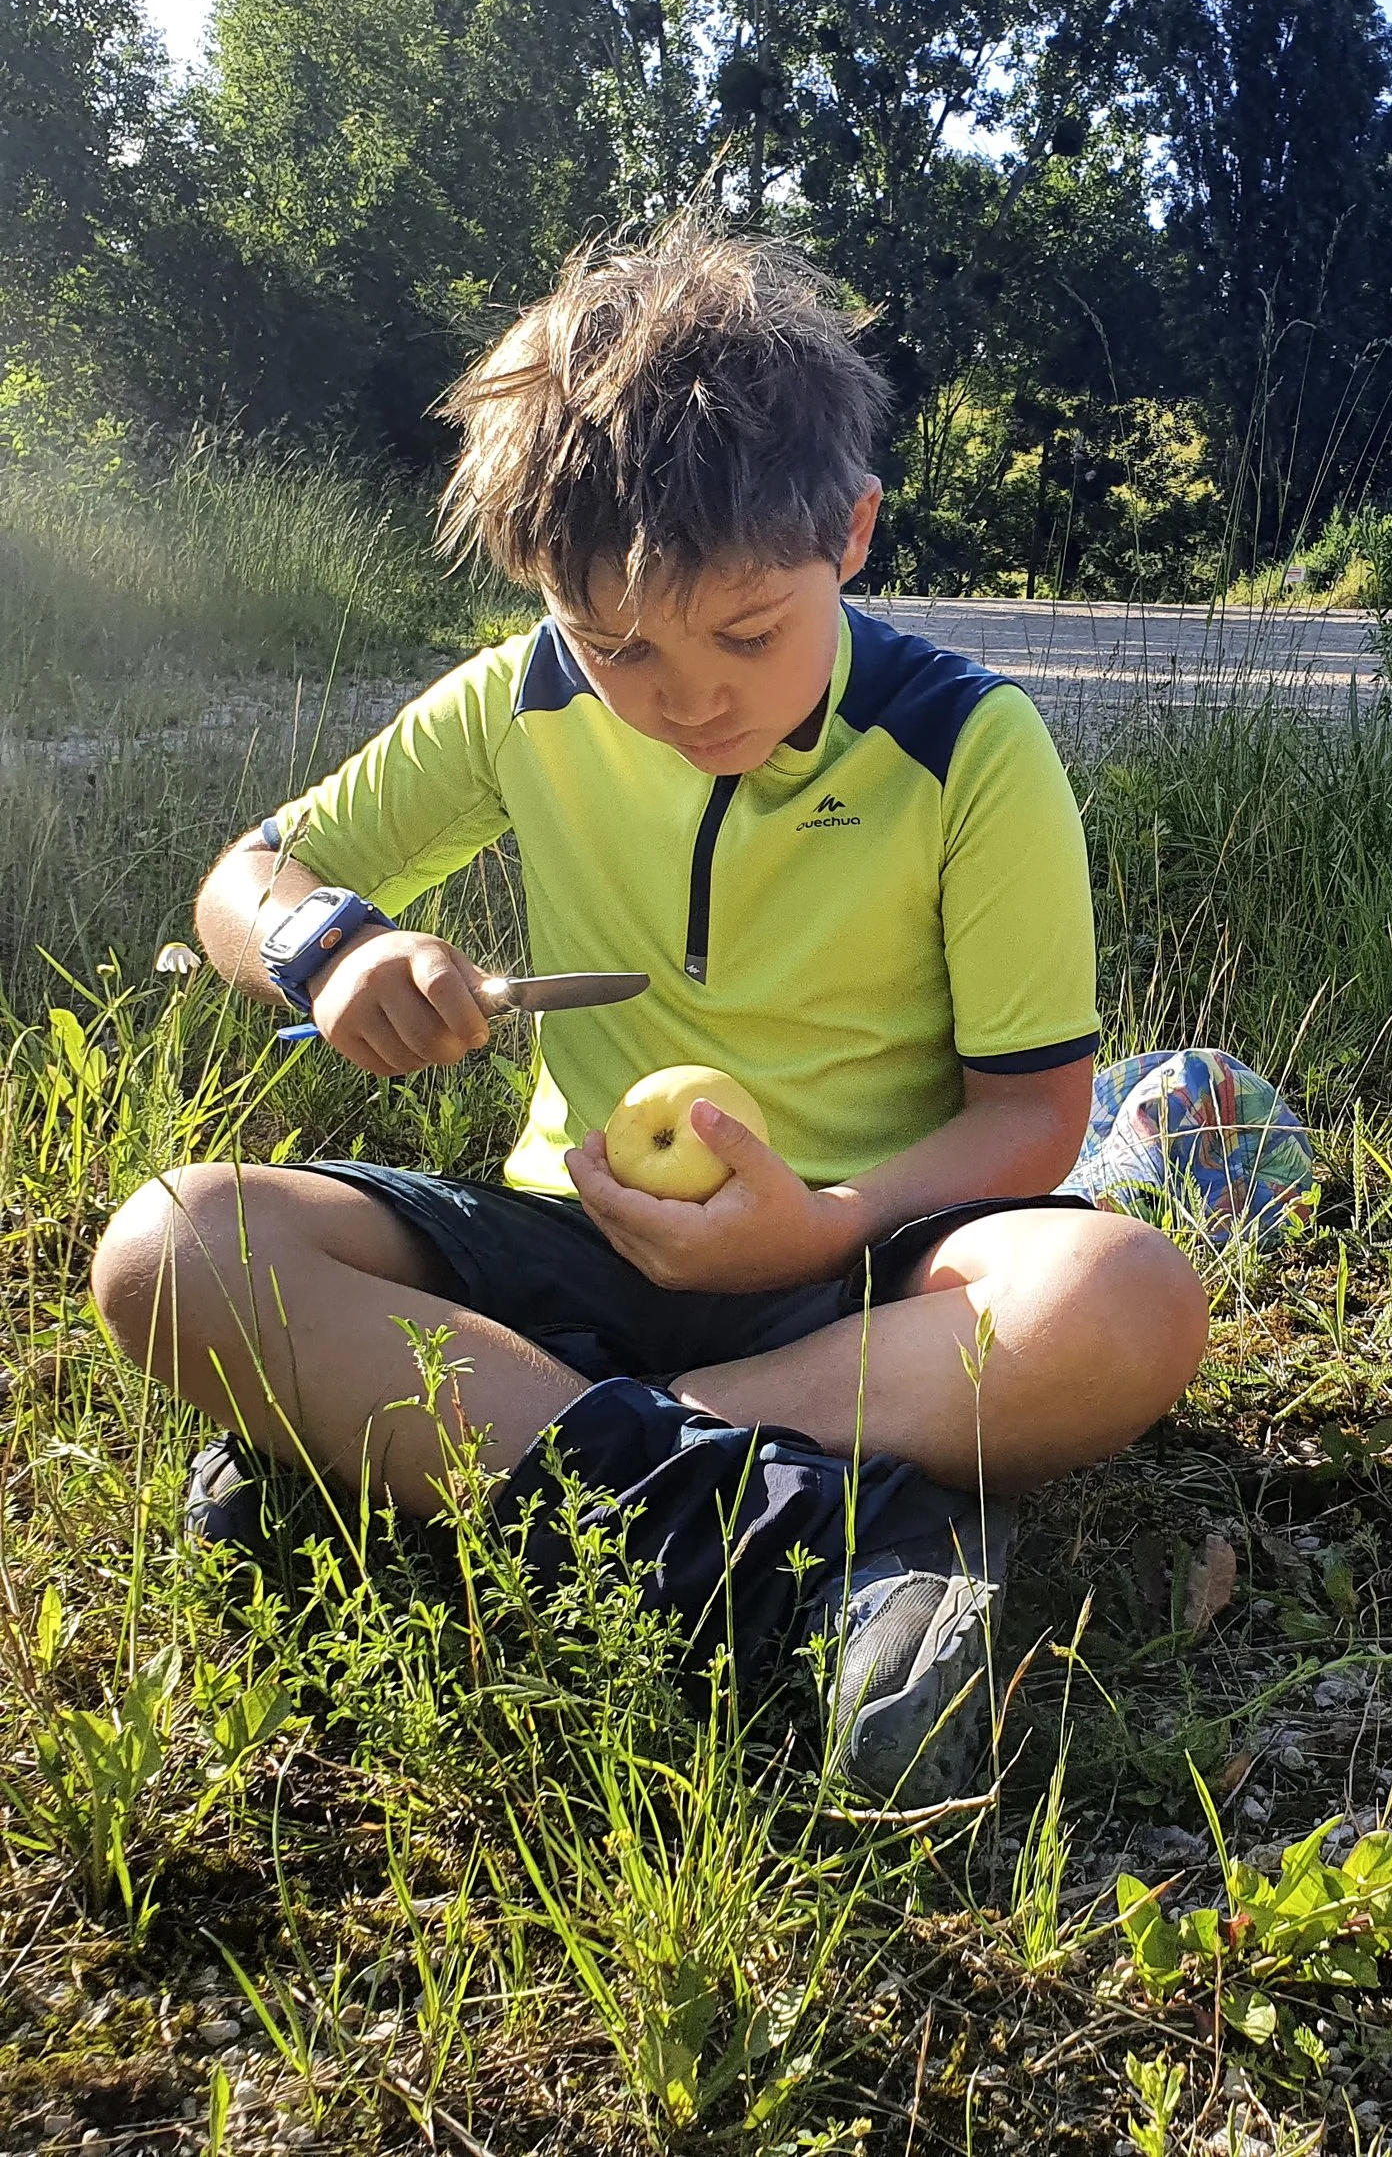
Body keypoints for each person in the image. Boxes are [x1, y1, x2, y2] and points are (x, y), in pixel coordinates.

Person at [88, 212, 1211, 1801]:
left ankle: (465, 1466)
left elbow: (1032, 1118)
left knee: (1127, 1299)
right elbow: (247, 877)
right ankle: (807, 1548)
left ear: (857, 535)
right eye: (612, 642)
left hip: (859, 1280)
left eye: (747, 633)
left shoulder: (971, 744)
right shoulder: (517, 699)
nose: (686, 696)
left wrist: (815, 1227)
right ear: (549, 598)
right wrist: (328, 948)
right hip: (570, 1243)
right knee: (168, 1244)